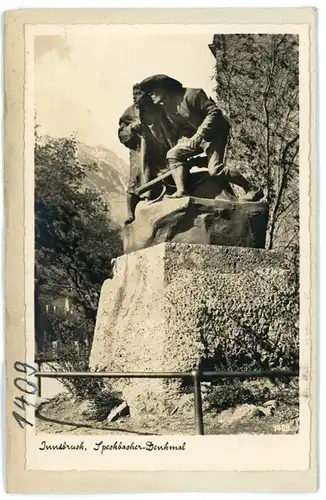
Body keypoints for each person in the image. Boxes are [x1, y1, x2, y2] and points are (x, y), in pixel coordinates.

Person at [139, 74, 264, 201]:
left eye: (153, 91)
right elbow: (182, 128)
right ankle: (182, 191)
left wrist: (199, 136)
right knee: (173, 154)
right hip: (196, 137)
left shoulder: (192, 95)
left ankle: (252, 189)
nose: (151, 95)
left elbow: (214, 112)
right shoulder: (167, 107)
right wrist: (183, 142)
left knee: (215, 171)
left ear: (164, 88)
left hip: (215, 133)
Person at [118, 84, 174, 224]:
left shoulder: (157, 110)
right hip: (139, 151)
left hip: (158, 150)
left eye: (138, 94)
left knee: (162, 175)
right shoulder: (129, 112)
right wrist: (131, 128)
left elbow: (168, 129)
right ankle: (131, 214)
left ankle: (160, 206)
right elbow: (122, 133)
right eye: (133, 94)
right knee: (136, 178)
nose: (134, 97)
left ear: (146, 94)